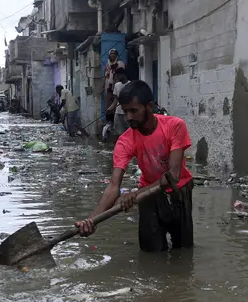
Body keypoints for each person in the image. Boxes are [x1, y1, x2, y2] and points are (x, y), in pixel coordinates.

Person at [75, 80, 194, 252]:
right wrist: (92, 220)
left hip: (179, 192)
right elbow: (113, 186)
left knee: (183, 252)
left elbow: (172, 176)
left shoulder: (175, 126)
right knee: (151, 254)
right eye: (125, 111)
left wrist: (135, 194)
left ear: (150, 107)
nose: (129, 117)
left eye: (134, 110)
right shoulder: (125, 141)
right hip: (148, 196)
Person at [103, 49, 125, 132]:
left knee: (115, 104)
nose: (112, 55)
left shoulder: (120, 63)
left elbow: (119, 72)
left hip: (116, 87)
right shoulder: (107, 65)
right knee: (108, 105)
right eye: (111, 54)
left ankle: (115, 123)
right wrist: (103, 87)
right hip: (108, 88)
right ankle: (109, 122)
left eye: (114, 54)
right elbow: (105, 77)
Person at [105, 67, 129, 135]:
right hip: (118, 113)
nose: (117, 77)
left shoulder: (130, 85)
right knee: (119, 134)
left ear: (123, 74)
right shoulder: (117, 85)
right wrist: (109, 108)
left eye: (118, 75)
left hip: (127, 113)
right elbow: (115, 101)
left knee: (128, 133)